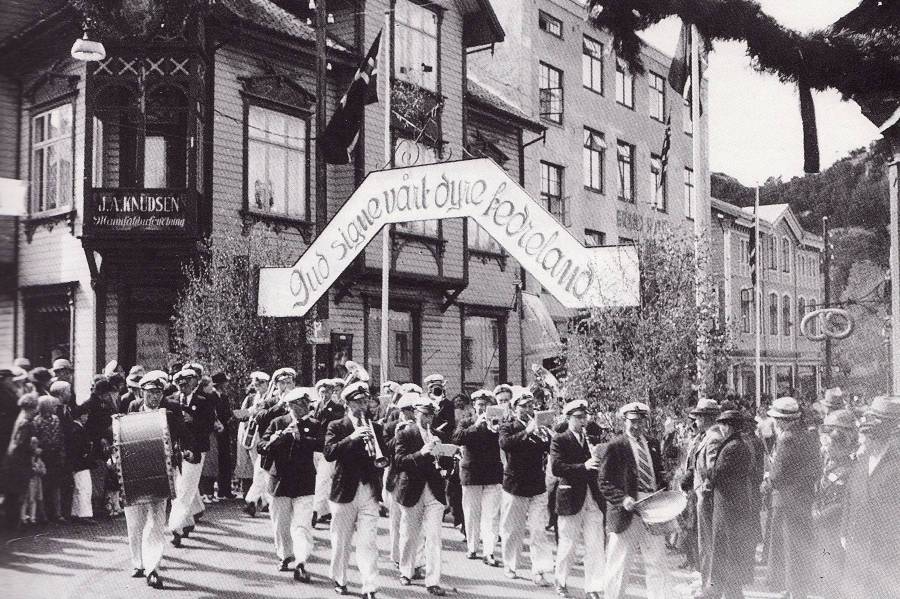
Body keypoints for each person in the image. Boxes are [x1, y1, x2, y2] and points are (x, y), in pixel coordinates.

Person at [598, 401, 671, 599]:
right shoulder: (616, 446)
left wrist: (665, 493)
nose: (636, 426)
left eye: (640, 422)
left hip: (652, 506)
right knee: (619, 561)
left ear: (645, 422)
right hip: (627, 508)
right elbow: (603, 481)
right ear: (624, 421)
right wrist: (623, 499)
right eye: (632, 422)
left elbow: (659, 474)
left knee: (657, 559)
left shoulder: (653, 444)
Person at [122, 371, 185, 590]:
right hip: (136, 470)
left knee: (157, 521)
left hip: (162, 470)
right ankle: (138, 562)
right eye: (150, 392)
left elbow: (183, 434)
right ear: (141, 392)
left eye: (158, 392)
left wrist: (186, 450)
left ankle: (153, 568)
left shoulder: (172, 409)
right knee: (135, 520)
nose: (155, 397)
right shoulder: (132, 407)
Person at [323, 381, 384, 599]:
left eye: (365, 401)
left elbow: (383, 455)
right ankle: (340, 578)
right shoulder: (337, 426)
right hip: (344, 488)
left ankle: (369, 585)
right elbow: (329, 452)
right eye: (358, 402)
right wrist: (352, 438)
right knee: (341, 540)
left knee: (368, 542)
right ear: (348, 404)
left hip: (368, 488)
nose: (363, 406)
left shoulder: (375, 427)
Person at [258, 387, 320, 583]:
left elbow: (321, 444)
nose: (303, 408)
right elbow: (261, 445)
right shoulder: (278, 422)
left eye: (305, 404)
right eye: (298, 405)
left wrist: (300, 437)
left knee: (302, 525)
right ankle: (285, 556)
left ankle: (301, 562)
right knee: (281, 524)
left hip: (304, 480)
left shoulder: (314, 424)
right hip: (280, 480)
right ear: (290, 406)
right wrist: (275, 439)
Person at [841, 396, 900, 599]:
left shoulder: (896, 462)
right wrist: (844, 531)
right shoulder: (862, 459)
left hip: (884, 546)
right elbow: (849, 496)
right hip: (858, 543)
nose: (860, 443)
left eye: (863, 440)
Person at [764, 396, 820, 598]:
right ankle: (796, 588)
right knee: (800, 545)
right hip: (804, 498)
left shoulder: (787, 439)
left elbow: (777, 474)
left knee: (789, 546)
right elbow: (816, 468)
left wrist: (767, 482)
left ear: (781, 420)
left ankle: (794, 590)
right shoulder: (808, 436)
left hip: (788, 500)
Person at [499, 386, 554, 586]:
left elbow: (549, 450)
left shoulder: (539, 428)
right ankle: (510, 564)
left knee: (539, 529)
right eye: (524, 406)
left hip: (537, 485)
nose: (529, 408)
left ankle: (539, 569)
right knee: (513, 529)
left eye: (531, 405)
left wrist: (548, 435)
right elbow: (505, 444)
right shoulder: (509, 426)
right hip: (515, 485)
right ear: (515, 408)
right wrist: (527, 431)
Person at [395, 396, 449, 596]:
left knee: (434, 536)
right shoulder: (405, 433)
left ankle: (433, 580)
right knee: (409, 534)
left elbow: (446, 466)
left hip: (434, 491)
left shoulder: (438, 434)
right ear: (416, 414)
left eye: (431, 416)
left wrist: (446, 455)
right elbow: (399, 461)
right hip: (412, 489)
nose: (428, 420)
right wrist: (422, 452)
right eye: (425, 415)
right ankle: (406, 571)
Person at [551, 399, 605, 599]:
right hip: (570, 496)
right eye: (578, 417)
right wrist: (584, 466)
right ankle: (561, 582)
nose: (583, 421)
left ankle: (593, 587)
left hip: (592, 498)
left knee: (595, 544)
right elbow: (557, 468)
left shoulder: (591, 439)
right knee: (568, 543)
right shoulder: (560, 439)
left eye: (585, 417)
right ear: (568, 418)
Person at [707, 409, 756, 599]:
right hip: (734, 503)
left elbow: (718, 474)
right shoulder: (741, 443)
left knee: (728, 550)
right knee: (729, 550)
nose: (720, 427)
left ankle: (731, 593)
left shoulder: (733, 447)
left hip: (729, 505)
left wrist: (706, 473)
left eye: (722, 424)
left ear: (728, 426)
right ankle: (725, 591)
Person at [451, 389, 503, 566]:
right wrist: (476, 426)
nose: (483, 409)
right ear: (474, 406)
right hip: (471, 474)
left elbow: (505, 441)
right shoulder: (466, 422)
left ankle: (489, 552)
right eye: (480, 405)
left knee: (491, 515)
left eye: (486, 405)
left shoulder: (497, 424)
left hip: (492, 474)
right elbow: (456, 438)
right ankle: (472, 547)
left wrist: (496, 429)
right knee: (472, 513)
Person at [168, 367, 216, 547]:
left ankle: (176, 527)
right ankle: (188, 520)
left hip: (195, 450)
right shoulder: (172, 401)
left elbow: (209, 426)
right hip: (176, 450)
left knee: (185, 488)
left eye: (187, 382)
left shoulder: (204, 401)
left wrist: (192, 420)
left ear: (195, 382)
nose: (183, 385)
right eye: (180, 382)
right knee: (179, 486)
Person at [812, 409, 857, 599]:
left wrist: (821, 515)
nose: (826, 449)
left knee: (834, 576)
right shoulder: (828, 464)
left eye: (831, 445)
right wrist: (814, 508)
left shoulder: (850, 469)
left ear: (842, 445)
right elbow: (819, 490)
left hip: (835, 528)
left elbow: (844, 502)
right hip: (822, 528)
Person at [681, 398, 722, 591]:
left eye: (698, 417)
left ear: (707, 418)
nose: (695, 421)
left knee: (707, 543)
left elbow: (712, 469)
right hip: (703, 496)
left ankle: (709, 587)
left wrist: (705, 492)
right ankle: (707, 584)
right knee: (705, 542)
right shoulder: (708, 436)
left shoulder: (713, 438)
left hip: (707, 498)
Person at [383, 392, 423, 571]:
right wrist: (398, 433)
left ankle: (415, 561)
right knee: (396, 520)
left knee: (415, 525)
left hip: (417, 479)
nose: (412, 415)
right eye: (408, 411)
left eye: (414, 411)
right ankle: (397, 556)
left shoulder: (422, 427)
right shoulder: (391, 426)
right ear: (401, 411)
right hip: (395, 477)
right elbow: (385, 450)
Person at [235, 371, 269, 506]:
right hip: (252, 434)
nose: (258, 387)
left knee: (263, 467)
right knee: (257, 466)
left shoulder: (271, 397)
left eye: (261, 384)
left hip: (265, 434)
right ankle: (260, 499)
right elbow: (242, 415)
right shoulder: (251, 398)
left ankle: (262, 499)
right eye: (256, 384)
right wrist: (246, 414)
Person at [312, 377, 343, 527]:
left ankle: (315, 511)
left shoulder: (337, 407)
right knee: (322, 480)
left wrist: (325, 410)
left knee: (323, 479)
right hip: (315, 448)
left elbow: (335, 422)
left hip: (327, 448)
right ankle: (326, 511)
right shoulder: (314, 406)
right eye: (322, 392)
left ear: (332, 392)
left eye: (328, 392)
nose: (325, 395)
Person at [34, 395, 65, 522]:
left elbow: (61, 437)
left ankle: (57, 513)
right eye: (52, 405)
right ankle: (43, 514)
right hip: (43, 455)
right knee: (43, 485)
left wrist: (62, 453)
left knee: (56, 485)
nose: (55, 408)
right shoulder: (37, 421)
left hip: (55, 455)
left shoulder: (56, 419)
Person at [211, 372, 236, 500]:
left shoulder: (224, 397)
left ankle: (225, 489)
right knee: (217, 460)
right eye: (224, 382)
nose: (226, 384)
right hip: (215, 432)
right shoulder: (212, 396)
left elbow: (226, 413)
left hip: (224, 432)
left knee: (225, 460)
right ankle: (214, 490)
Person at [69, 402, 95, 523]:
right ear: (81, 416)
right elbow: (78, 448)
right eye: (86, 415)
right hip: (81, 463)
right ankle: (84, 514)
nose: (87, 417)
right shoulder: (77, 429)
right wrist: (86, 453)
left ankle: (75, 512)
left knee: (78, 488)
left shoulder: (75, 428)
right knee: (85, 488)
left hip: (78, 464)